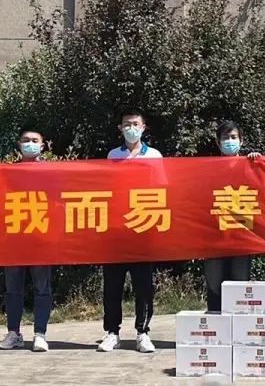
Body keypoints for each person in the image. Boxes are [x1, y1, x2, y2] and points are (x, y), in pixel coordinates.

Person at [100, 109, 163, 354]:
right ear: (120, 128)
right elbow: (108, 189)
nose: (131, 128)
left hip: (143, 227)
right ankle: (112, 332)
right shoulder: (113, 155)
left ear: (144, 127)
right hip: (117, 229)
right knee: (112, 285)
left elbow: (162, 189)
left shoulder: (154, 155)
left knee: (143, 285)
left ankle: (142, 332)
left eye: (135, 124)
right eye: (127, 124)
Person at [0, 128, 54, 352]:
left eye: (34, 140)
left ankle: (40, 334)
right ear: (19, 144)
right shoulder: (8, 172)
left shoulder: (51, 172)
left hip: (41, 236)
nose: (30, 143)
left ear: (42, 145)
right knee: (13, 289)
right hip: (14, 238)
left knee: (42, 288)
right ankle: (14, 333)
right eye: (26, 140)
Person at [204, 121, 261, 311]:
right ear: (218, 142)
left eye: (233, 137)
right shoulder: (207, 168)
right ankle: (215, 322)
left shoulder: (250, 165)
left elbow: (264, 190)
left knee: (239, 284)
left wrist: (258, 163)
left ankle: (239, 324)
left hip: (241, 235)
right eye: (225, 138)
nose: (229, 141)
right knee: (214, 284)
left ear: (241, 141)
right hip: (214, 235)